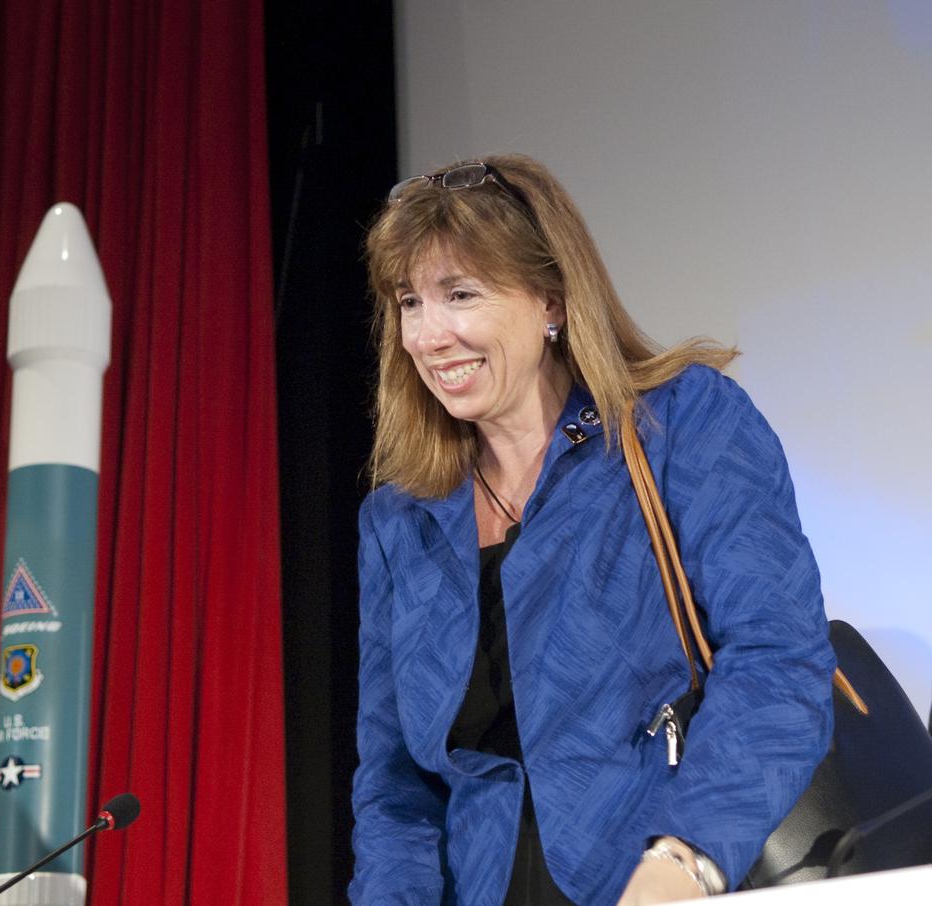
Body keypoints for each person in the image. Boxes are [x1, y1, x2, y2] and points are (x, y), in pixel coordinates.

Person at [350, 155, 836, 905]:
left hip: (668, 874)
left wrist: (685, 860)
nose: (428, 334)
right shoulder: (399, 517)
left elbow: (779, 661)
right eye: (410, 301)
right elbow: (394, 786)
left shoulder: (684, 424)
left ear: (550, 300)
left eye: (461, 294)